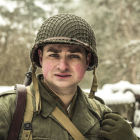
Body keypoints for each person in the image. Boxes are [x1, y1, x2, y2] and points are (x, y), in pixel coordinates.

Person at [0, 14, 139, 140]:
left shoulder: (102, 115)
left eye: (74, 56)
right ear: (41, 58)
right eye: (54, 55)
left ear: (87, 60)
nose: (63, 66)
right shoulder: (9, 109)